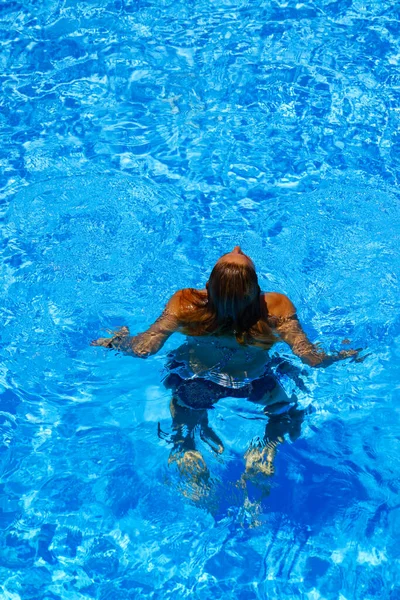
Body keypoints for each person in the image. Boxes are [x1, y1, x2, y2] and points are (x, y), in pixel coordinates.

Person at [92, 246, 360, 504]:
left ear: (207, 289)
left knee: (184, 421)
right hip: (254, 383)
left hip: (194, 381)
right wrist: (340, 354)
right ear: (256, 292)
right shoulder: (275, 309)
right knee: (284, 412)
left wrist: (116, 342)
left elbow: (144, 349)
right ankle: (265, 451)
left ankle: (187, 453)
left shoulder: (187, 303)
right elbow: (310, 358)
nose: (237, 247)